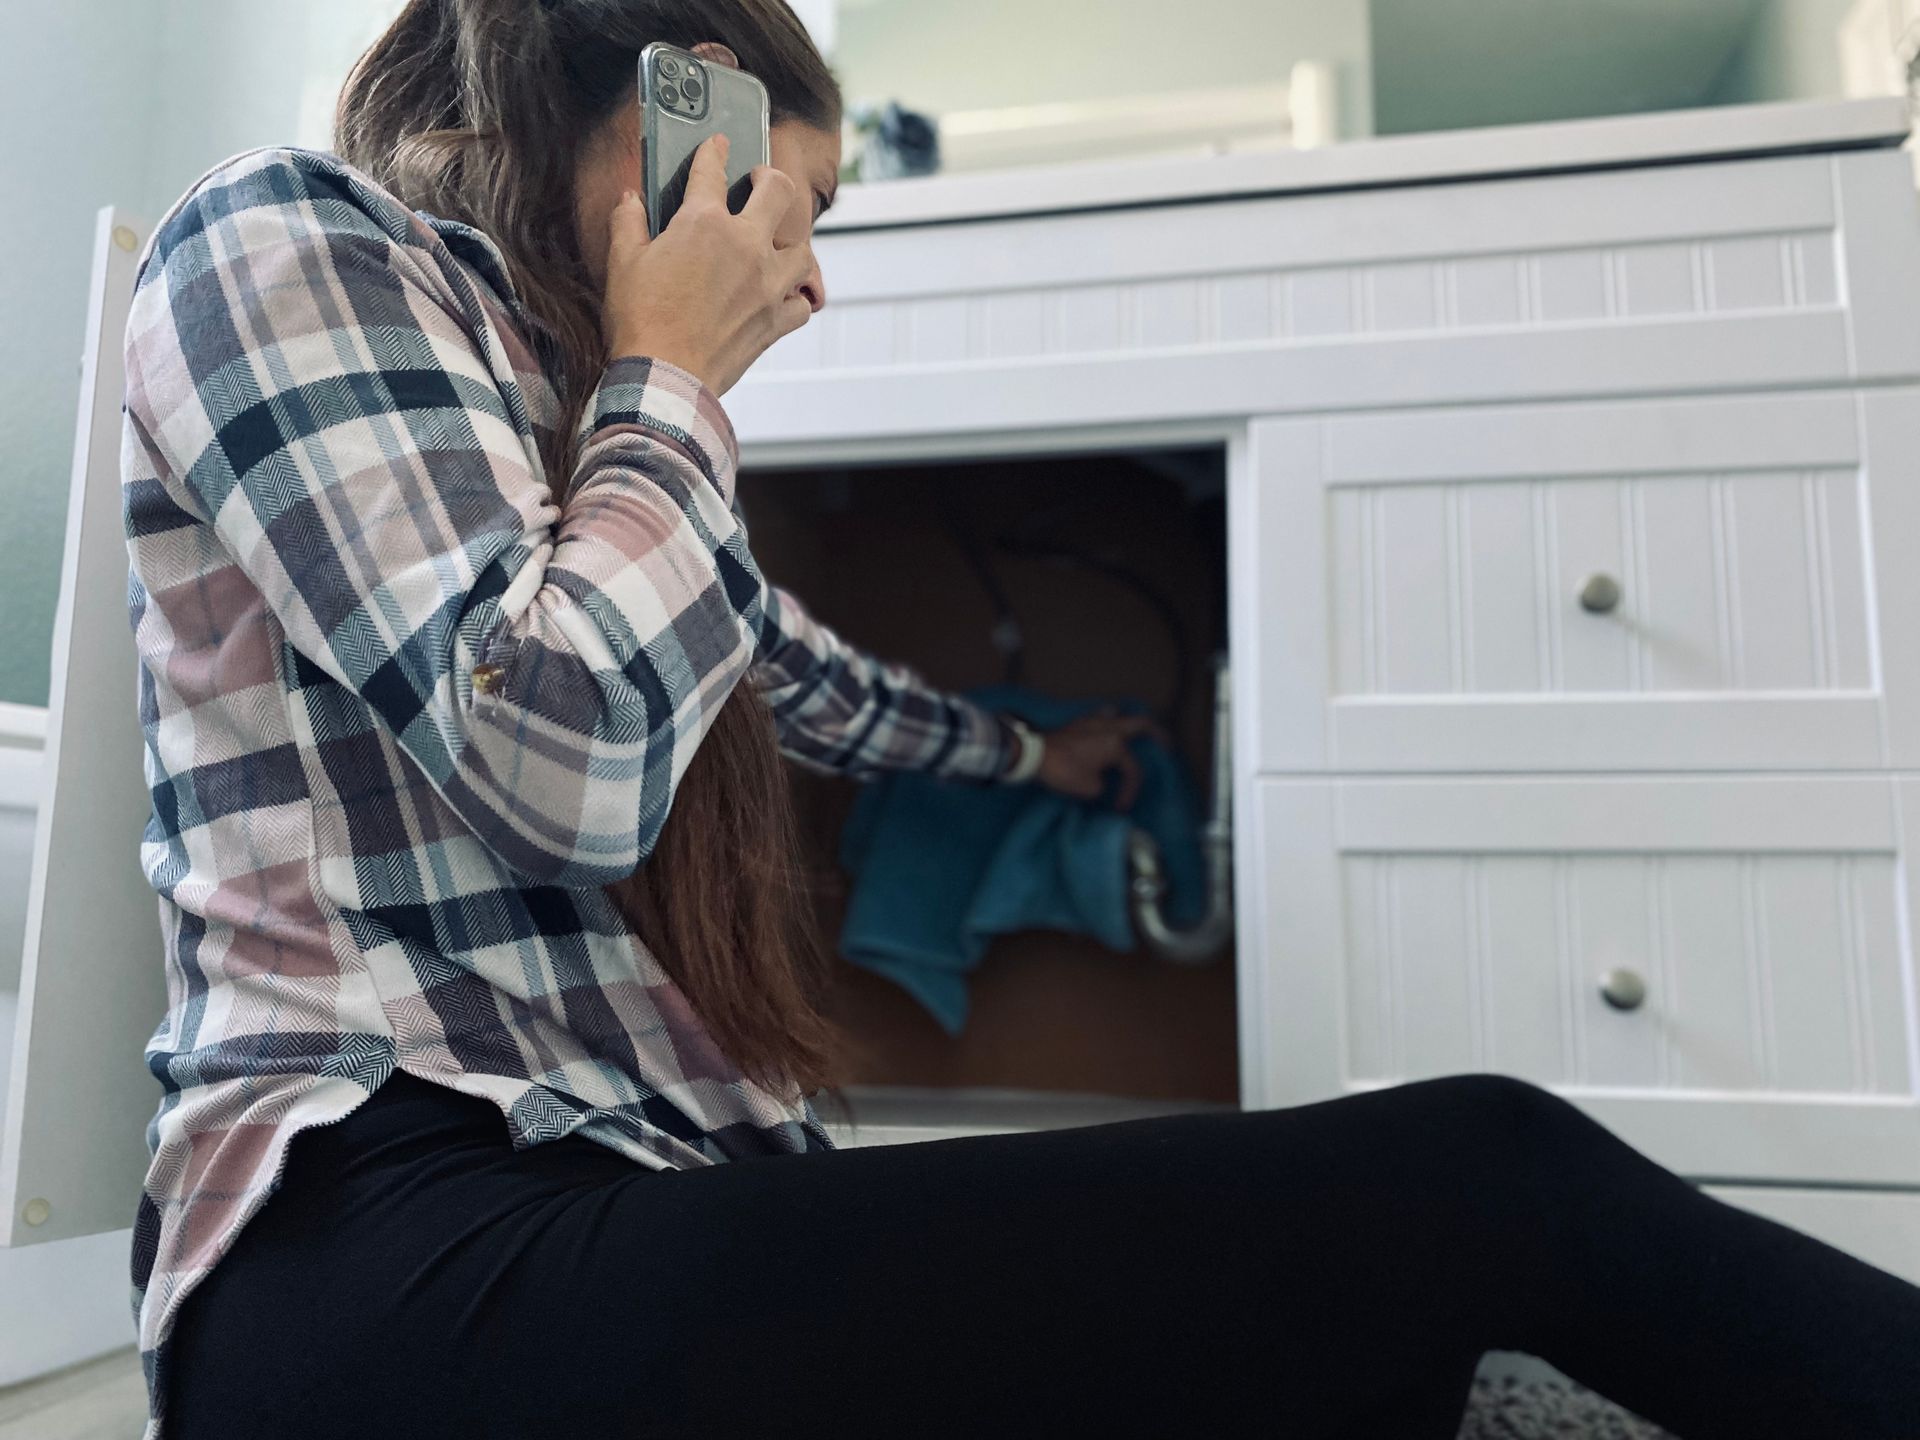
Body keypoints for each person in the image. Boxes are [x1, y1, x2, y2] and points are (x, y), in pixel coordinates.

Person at [118, 2, 1920, 1436]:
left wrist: (1032, 754)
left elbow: (818, 688)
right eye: (799, 212)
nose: (812, 281)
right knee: (1492, 1174)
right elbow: (557, 759)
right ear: (693, 134)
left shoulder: (578, 439)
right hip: (376, 1248)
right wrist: (672, 374)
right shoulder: (283, 241)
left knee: (1302, 1339)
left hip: (613, 1197)